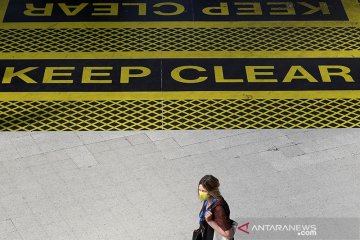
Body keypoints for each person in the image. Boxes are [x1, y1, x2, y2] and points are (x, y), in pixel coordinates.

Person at [197, 175, 236, 240]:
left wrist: (210, 221)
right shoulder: (207, 200)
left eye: (203, 191)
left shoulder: (219, 208)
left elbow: (229, 234)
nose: (200, 193)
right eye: (199, 190)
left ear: (211, 191)